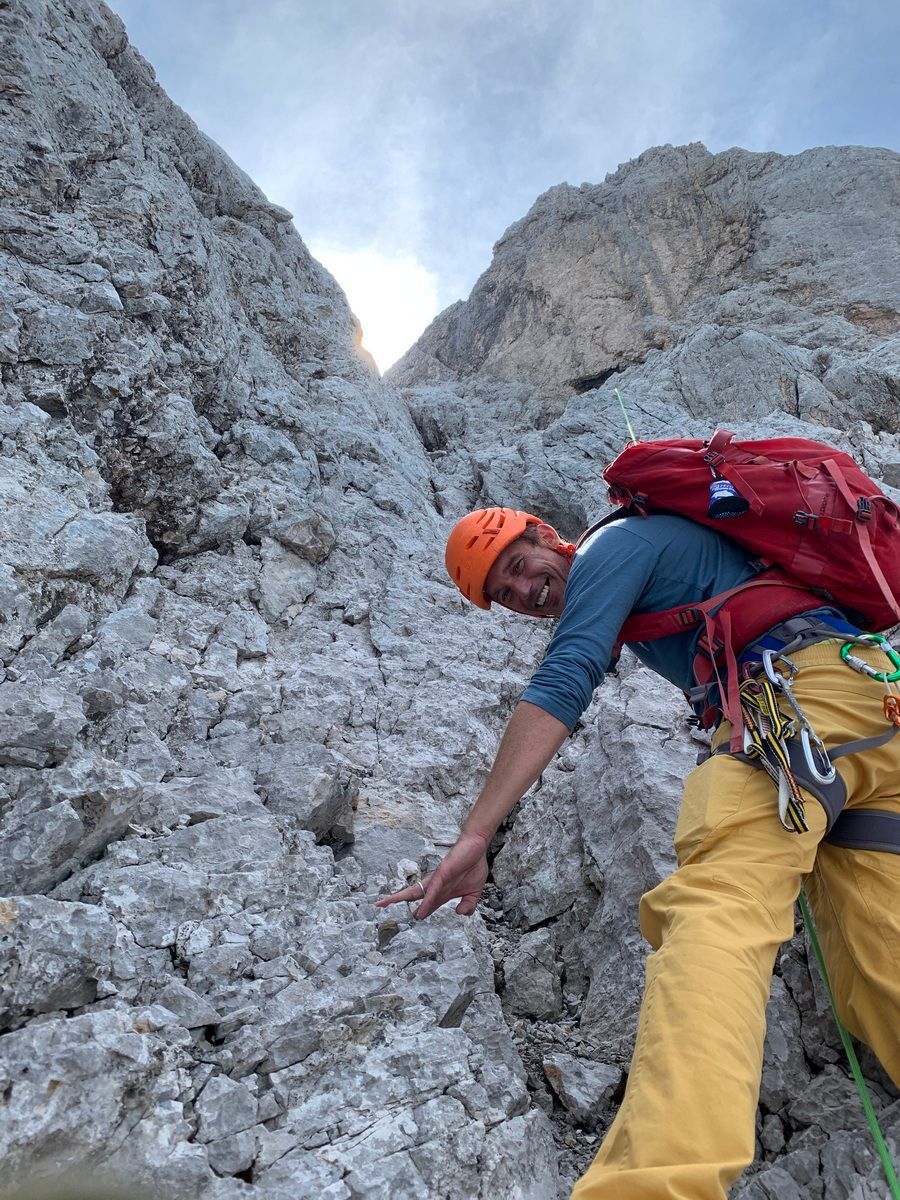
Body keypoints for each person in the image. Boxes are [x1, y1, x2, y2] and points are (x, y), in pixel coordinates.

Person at [375, 505, 900, 1199]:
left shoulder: (613, 547)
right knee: (875, 953)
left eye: (516, 566)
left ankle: (653, 1187)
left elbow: (567, 678)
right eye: (503, 594)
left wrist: (475, 834)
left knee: (717, 914)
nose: (524, 592)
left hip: (798, 712)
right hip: (870, 704)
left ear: (543, 534)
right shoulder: (646, 554)